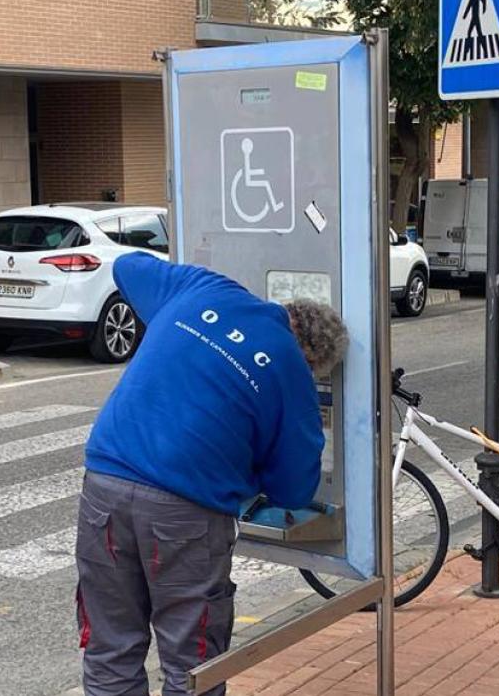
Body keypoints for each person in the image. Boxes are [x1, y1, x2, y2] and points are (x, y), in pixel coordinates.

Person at [75, 251, 349, 696]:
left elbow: (128, 267)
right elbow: (294, 487)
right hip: (186, 510)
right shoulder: (291, 369)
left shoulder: (206, 289)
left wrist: (174, 325)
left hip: (104, 484)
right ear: (311, 358)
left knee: (111, 647)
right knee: (192, 663)